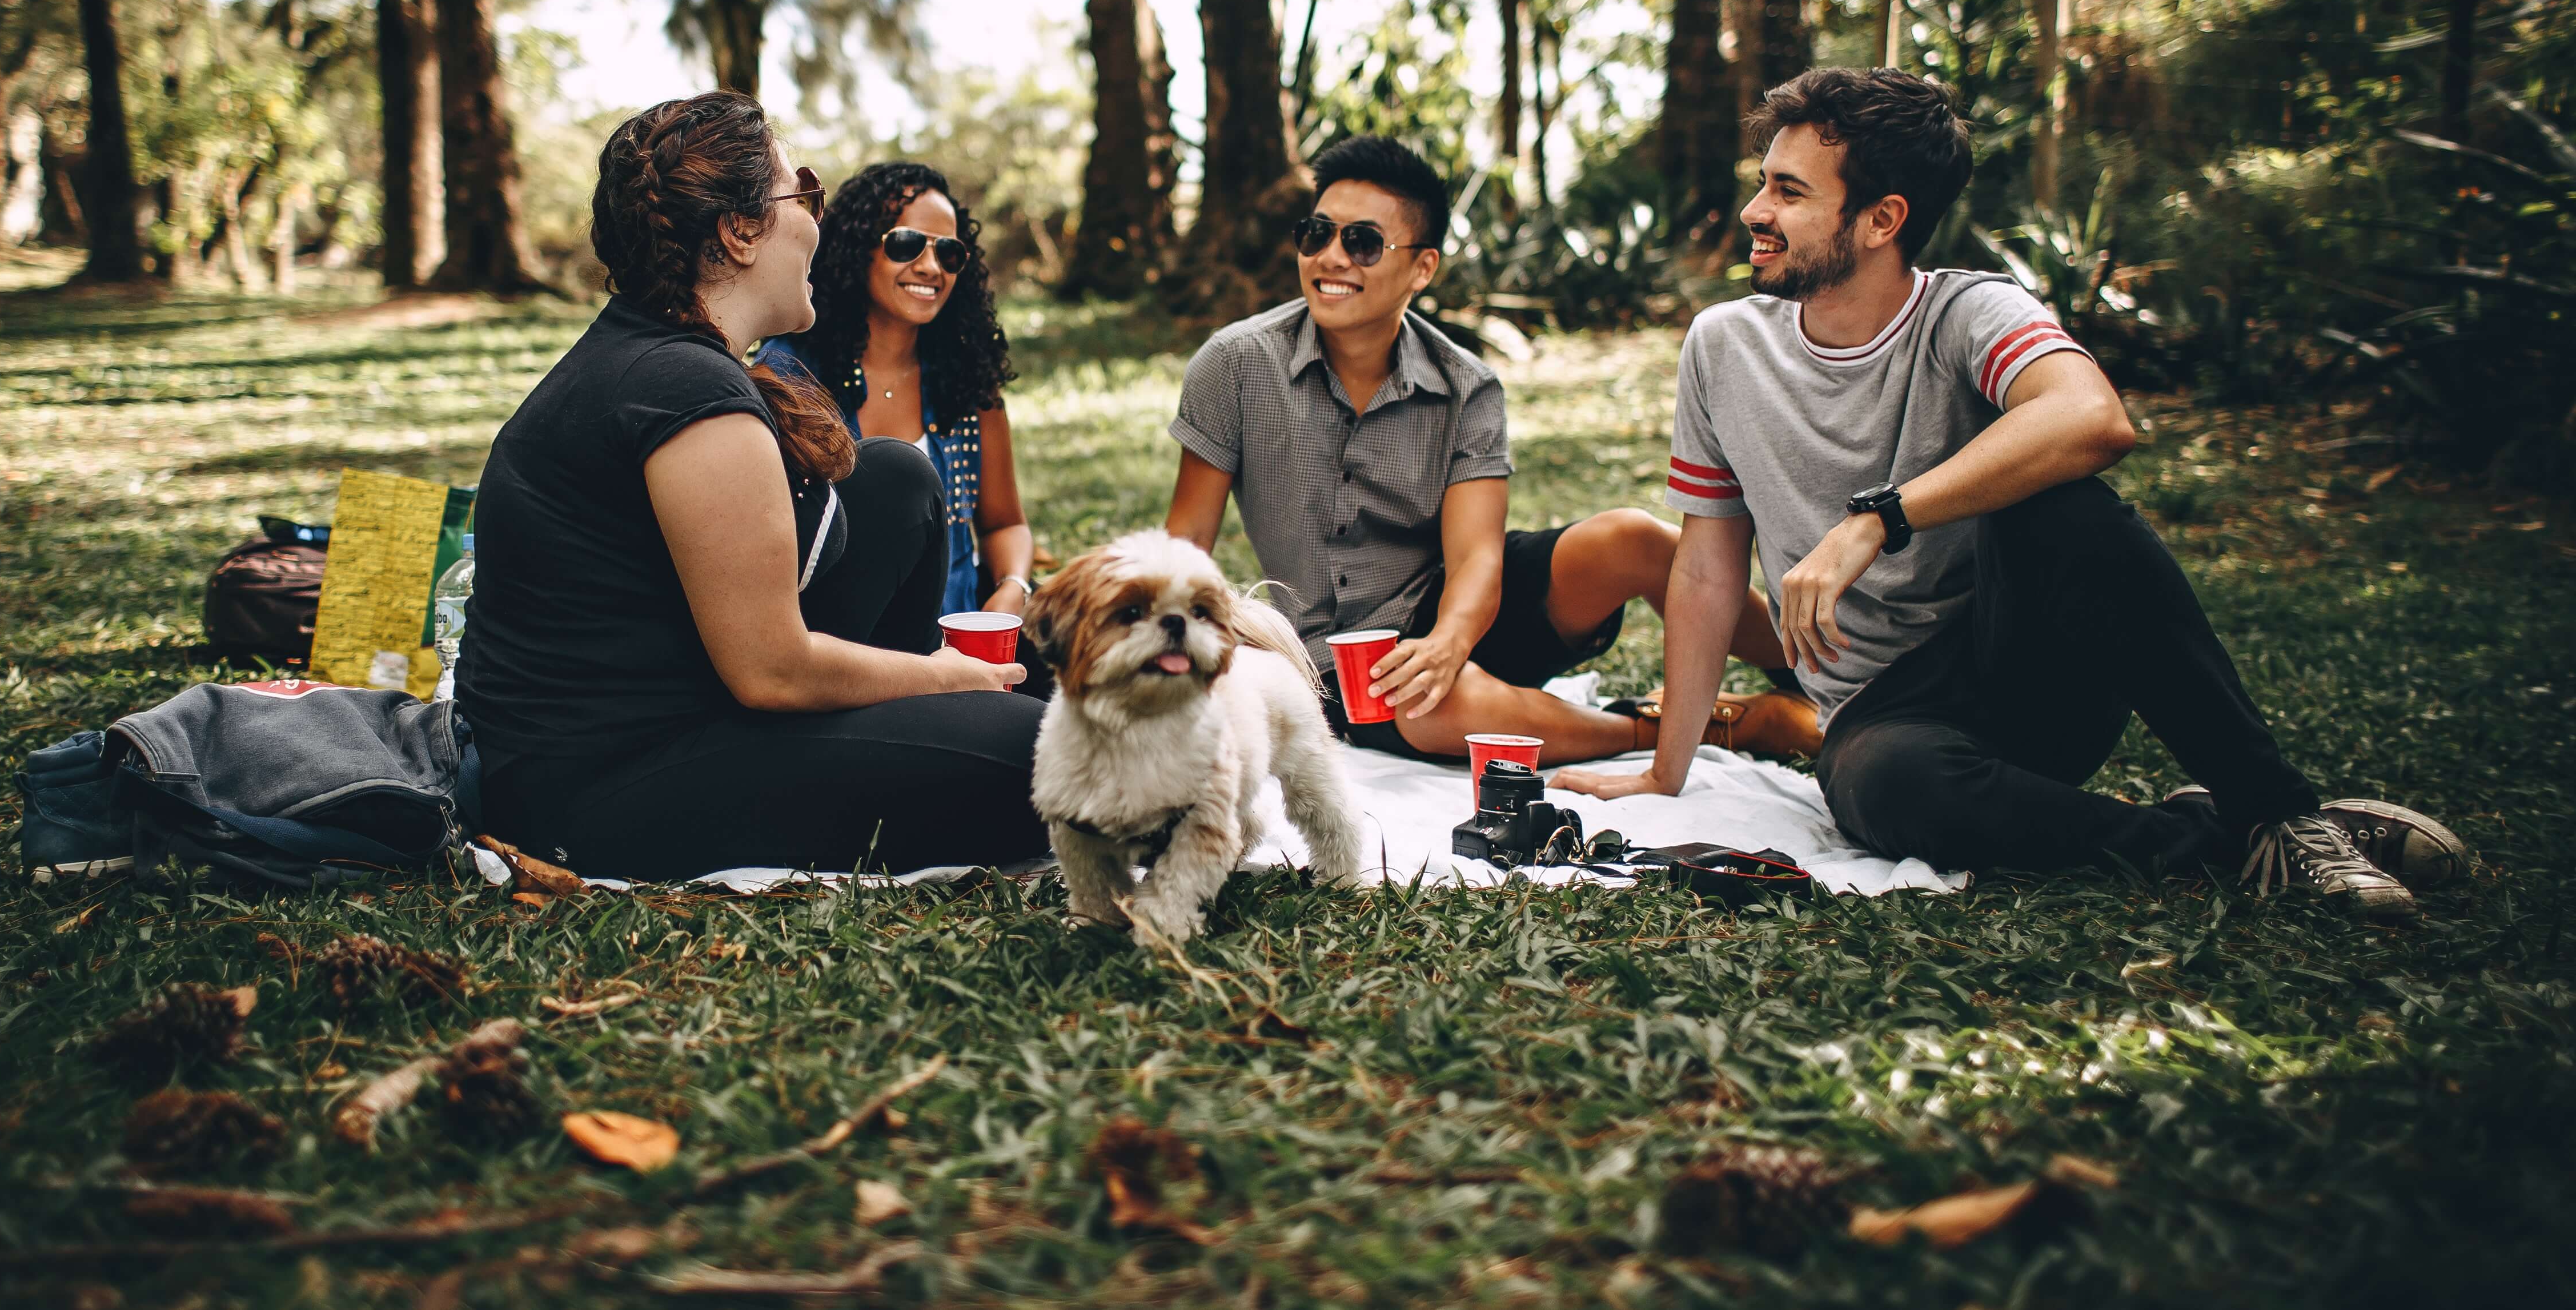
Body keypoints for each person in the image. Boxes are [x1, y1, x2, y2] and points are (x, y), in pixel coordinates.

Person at [1554, 67, 2469, 919]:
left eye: (1790, 192)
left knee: (2066, 503)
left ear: (1882, 219)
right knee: (1886, 788)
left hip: (2028, 670)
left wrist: (1882, 515)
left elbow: (2092, 417)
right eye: (1766, 180)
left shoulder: (1970, 310)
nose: (1755, 209)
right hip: (1886, 721)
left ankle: (2281, 808)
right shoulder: (1724, 346)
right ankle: (2226, 837)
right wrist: (1665, 774)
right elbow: (1709, 569)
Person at [456, 94, 1048, 881]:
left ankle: (930, 725)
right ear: (739, 232)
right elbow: (772, 670)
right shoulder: (684, 391)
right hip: (595, 788)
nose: (816, 220)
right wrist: (947, 674)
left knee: (896, 478)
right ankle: (945, 724)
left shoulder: (663, 354)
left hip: (681, 700)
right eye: (802, 193)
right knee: (1046, 758)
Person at [1163, 134, 1815, 764]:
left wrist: (1449, 640)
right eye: (1317, 234)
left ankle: (1822, 681)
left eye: (1361, 242)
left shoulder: (1466, 386)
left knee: (1634, 538)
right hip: (1342, 661)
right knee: (1431, 707)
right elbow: (1186, 540)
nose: (1331, 257)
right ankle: (1704, 725)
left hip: (1461, 608)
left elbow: (1477, 556)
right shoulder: (1236, 365)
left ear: (1422, 266)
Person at [753, 162, 1034, 624]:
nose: (929, 266)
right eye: (906, 244)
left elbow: (1005, 523)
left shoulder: (966, 377)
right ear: (856, 249)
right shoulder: (789, 375)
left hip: (961, 641)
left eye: (949, 253)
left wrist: (1012, 589)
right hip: (844, 648)